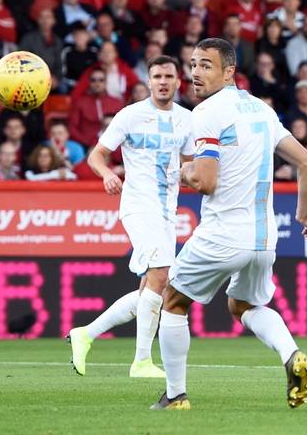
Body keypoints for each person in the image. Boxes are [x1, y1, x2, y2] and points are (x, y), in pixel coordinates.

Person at [151, 38, 307, 411]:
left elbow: (205, 181)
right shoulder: (262, 110)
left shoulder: (207, 113)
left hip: (222, 234)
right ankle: (292, 355)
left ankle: (175, 395)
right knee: (242, 305)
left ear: (229, 71)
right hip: (264, 238)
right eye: (192, 64)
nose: (195, 73)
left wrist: (183, 172)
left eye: (206, 65)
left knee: (173, 302)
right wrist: (304, 214)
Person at [68, 55, 194, 379]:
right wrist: (107, 174)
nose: (163, 81)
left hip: (168, 211)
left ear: (178, 81)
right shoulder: (131, 115)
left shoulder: (187, 120)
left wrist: (190, 174)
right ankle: (141, 362)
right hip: (138, 206)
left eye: (168, 76)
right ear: (149, 81)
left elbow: (193, 164)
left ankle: (86, 333)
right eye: (157, 76)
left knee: (151, 287)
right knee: (161, 274)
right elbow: (96, 155)